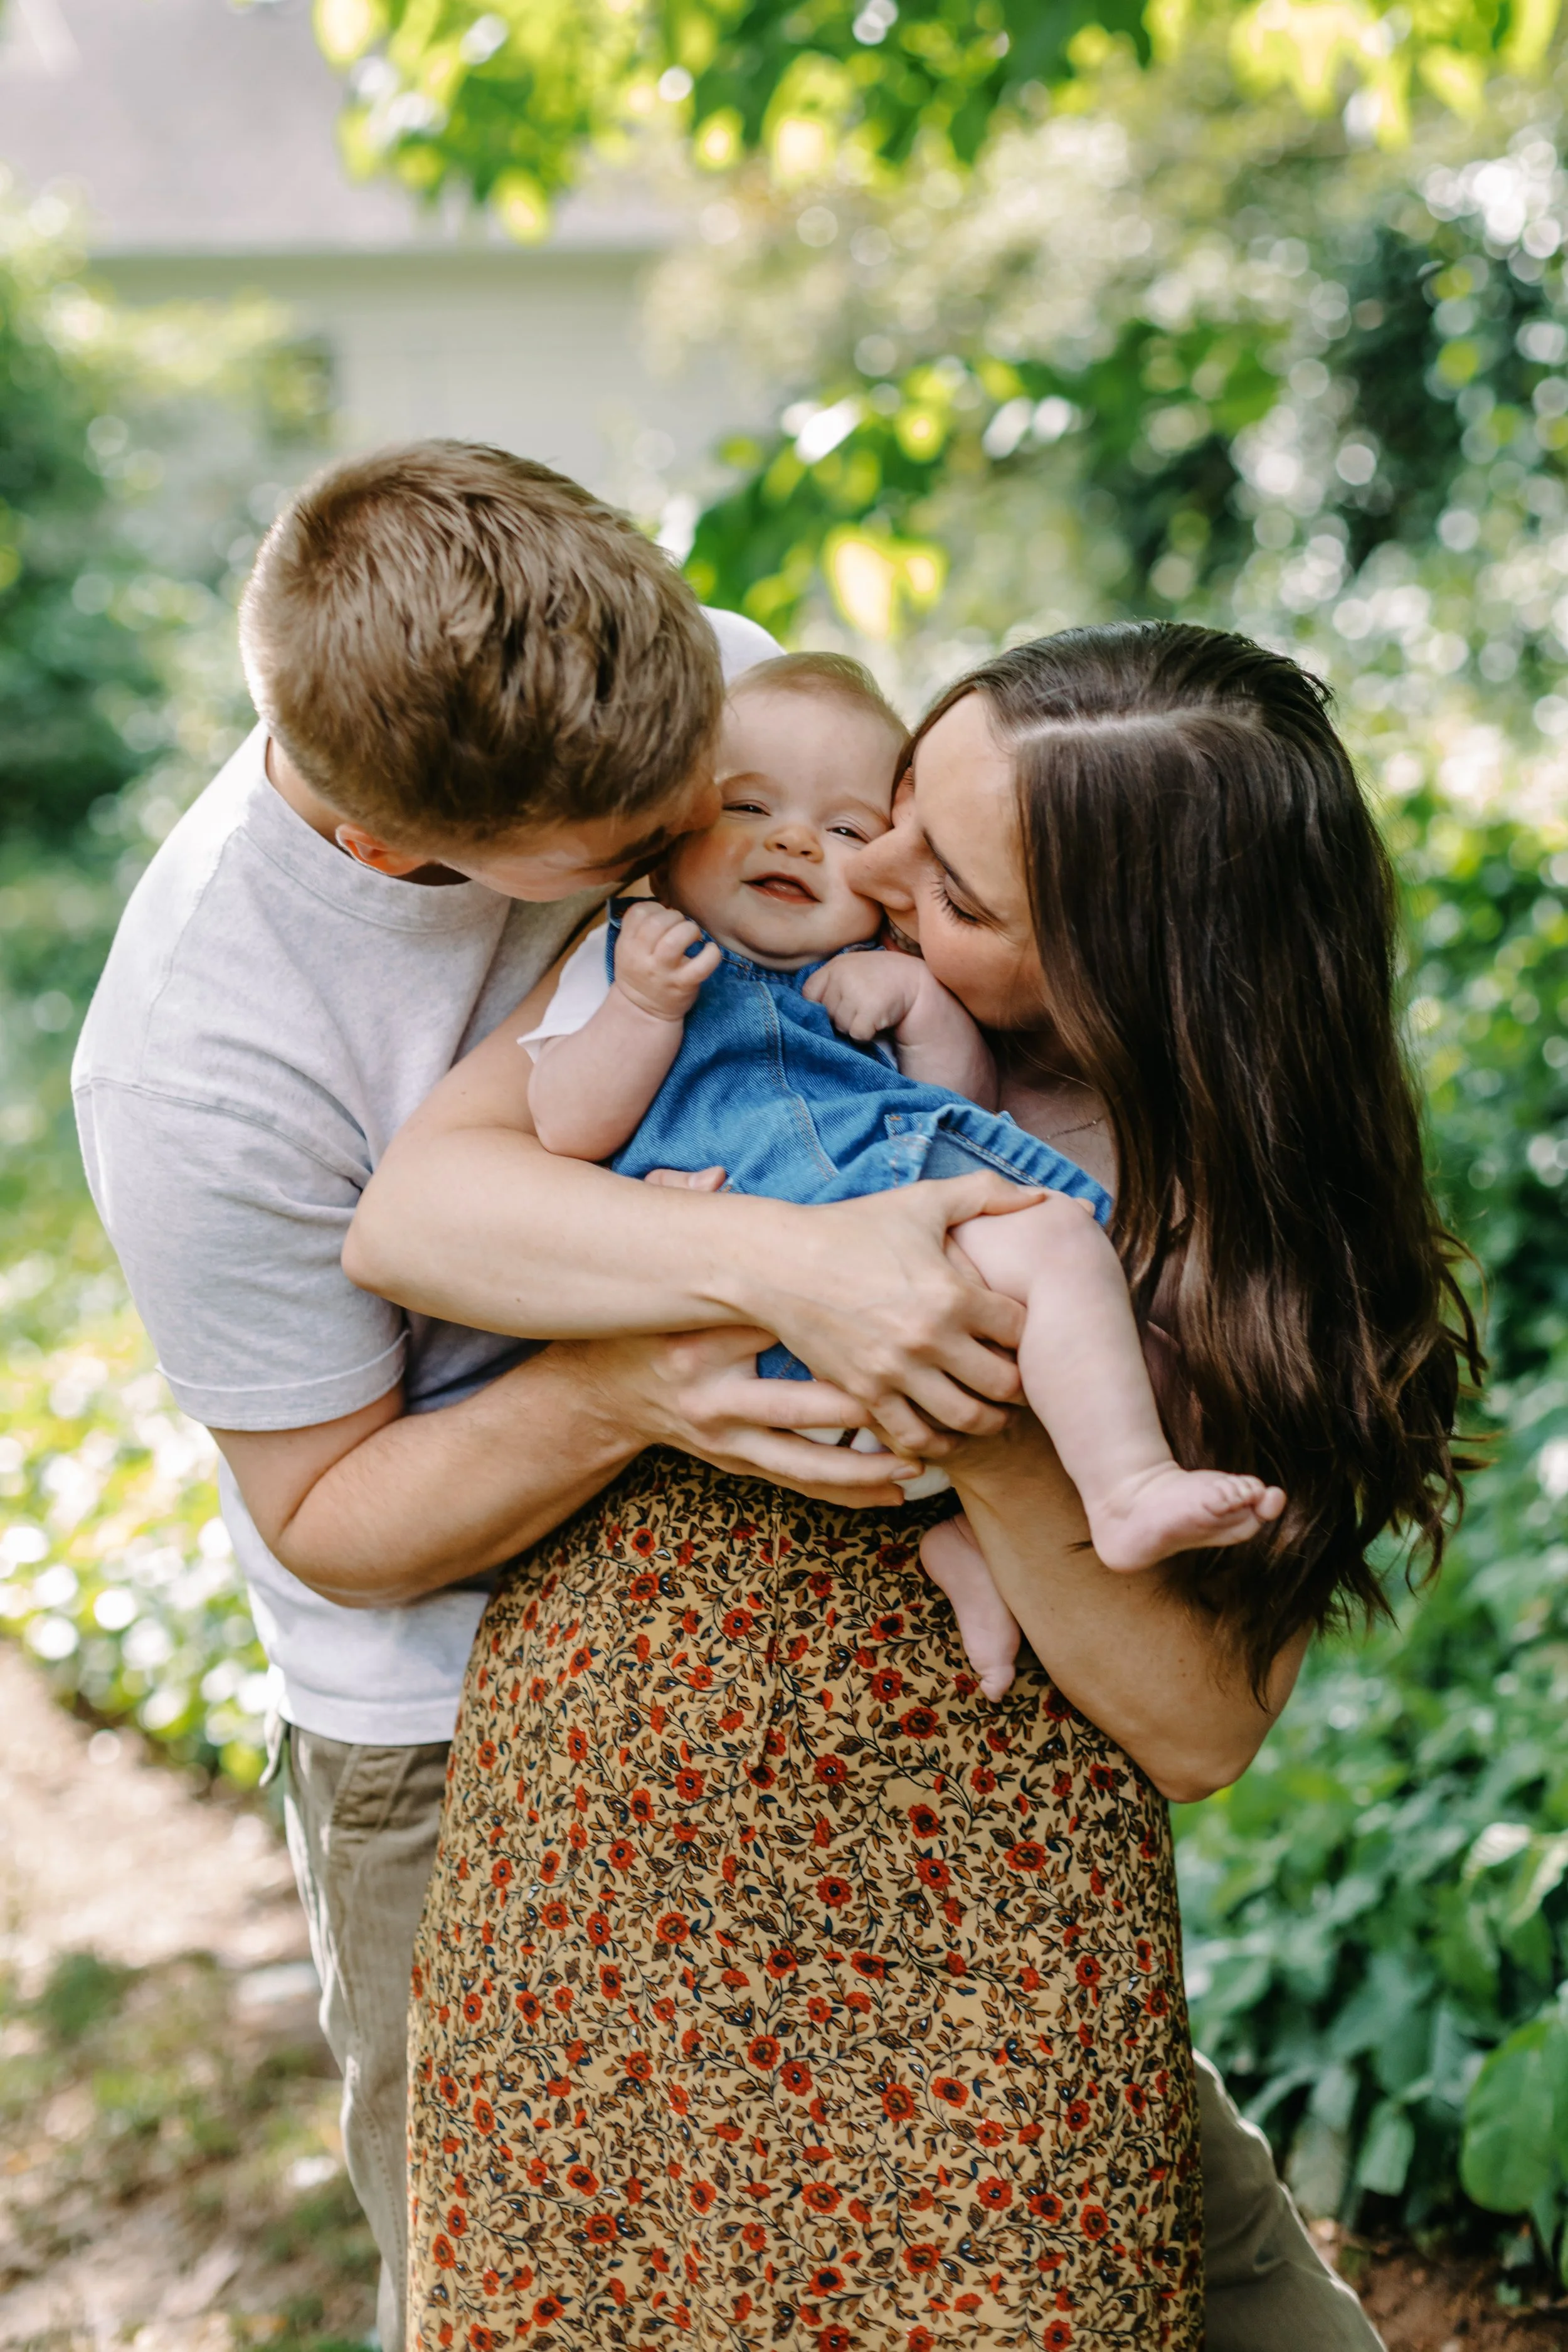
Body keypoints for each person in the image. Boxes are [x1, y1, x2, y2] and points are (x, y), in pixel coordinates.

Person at [354, 623, 1475, 2340]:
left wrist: (975, 1410)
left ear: (1123, 967)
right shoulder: (763, 962)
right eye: (896, 811)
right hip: (621, 1861)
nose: (862, 865)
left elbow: (1196, 1723)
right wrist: (781, 1271)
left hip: (983, 1907)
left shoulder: (1243, 1229)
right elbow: (424, 1211)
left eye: (939, 874)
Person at [522, 650, 1282, 1701]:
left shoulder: (882, 971)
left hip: (915, 1301)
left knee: (1153, 1353)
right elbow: (559, 1121)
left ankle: (1012, 1530)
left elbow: (958, 1117)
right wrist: (643, 1012)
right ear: (664, 831)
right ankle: (1122, 1488)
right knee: (1063, 1248)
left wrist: (923, 1010)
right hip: (781, 1342)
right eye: (750, 806)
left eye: (849, 828)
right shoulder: (629, 955)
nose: (805, 843)